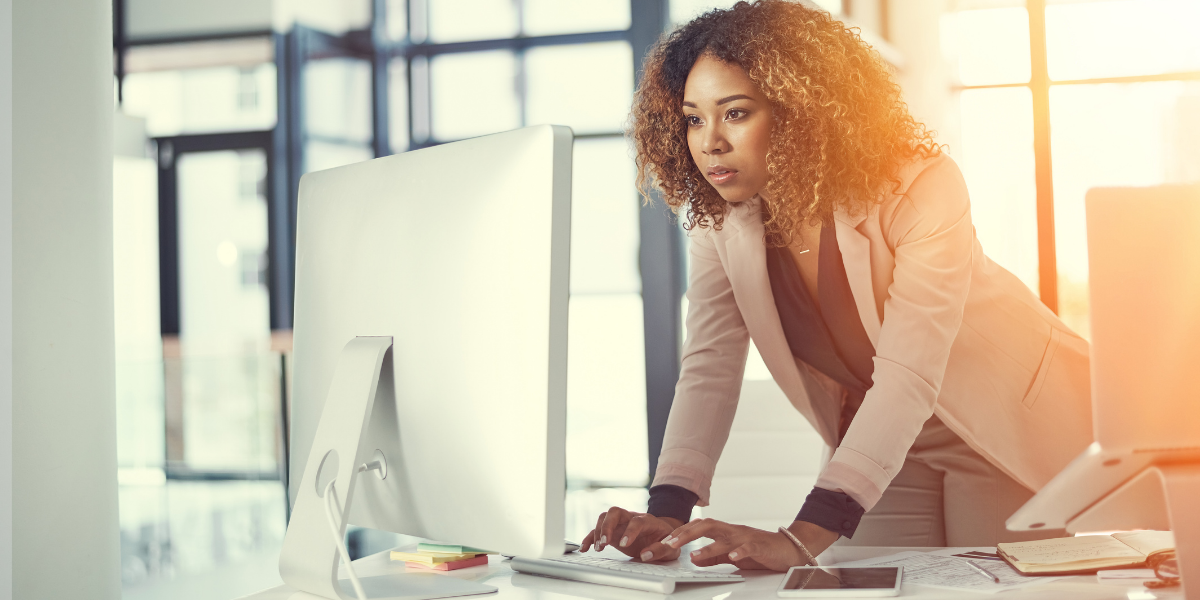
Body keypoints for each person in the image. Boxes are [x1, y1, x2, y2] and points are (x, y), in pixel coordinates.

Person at [579, 0, 1092, 572]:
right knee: (877, 587)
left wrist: (799, 539)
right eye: (694, 118)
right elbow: (710, 363)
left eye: (736, 113)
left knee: (989, 586)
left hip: (997, 423)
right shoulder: (722, 220)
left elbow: (908, 372)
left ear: (800, 110)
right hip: (884, 441)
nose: (710, 142)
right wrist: (669, 509)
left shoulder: (921, 185)